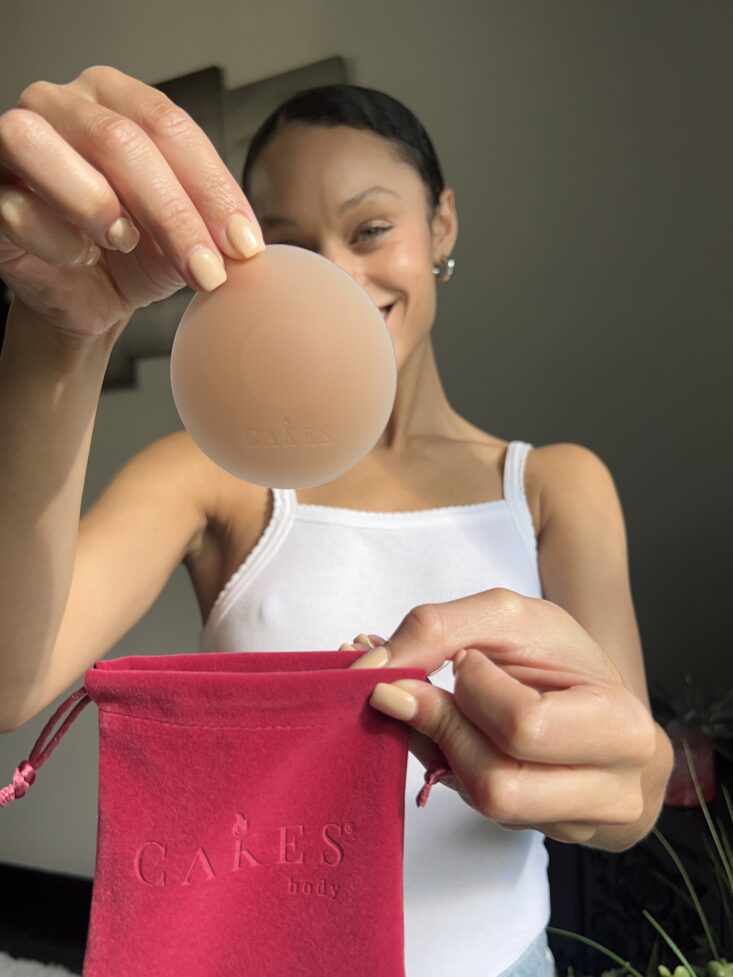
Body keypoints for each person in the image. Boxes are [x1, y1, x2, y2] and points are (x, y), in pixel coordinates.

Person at [0, 66, 673, 977]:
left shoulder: (557, 485)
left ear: (441, 225)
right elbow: (10, 682)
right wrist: (60, 335)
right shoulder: (210, 474)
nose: (340, 277)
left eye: (370, 229)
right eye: (288, 246)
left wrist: (610, 777)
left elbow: (632, 792)